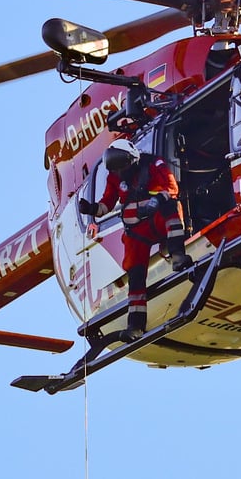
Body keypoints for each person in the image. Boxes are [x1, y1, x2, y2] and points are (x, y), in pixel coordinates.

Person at [79, 138, 192, 342]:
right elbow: (107, 204)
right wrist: (91, 209)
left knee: (172, 209)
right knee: (136, 275)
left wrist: (157, 201)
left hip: (157, 218)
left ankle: (178, 256)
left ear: (132, 158)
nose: (120, 172)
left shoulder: (153, 164)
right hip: (137, 231)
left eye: (122, 166)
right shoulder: (114, 178)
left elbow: (172, 188)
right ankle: (136, 325)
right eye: (115, 169)